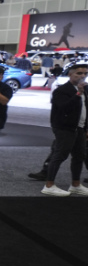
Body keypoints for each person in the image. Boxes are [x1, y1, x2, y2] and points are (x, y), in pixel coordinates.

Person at [41, 62, 88, 196]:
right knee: (60, 155)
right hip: (64, 127)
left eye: (85, 73)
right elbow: (63, 108)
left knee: (79, 156)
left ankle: (75, 185)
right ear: (70, 75)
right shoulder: (61, 90)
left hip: (80, 127)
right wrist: (78, 93)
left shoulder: (86, 89)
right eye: (79, 73)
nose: (82, 76)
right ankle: (49, 185)